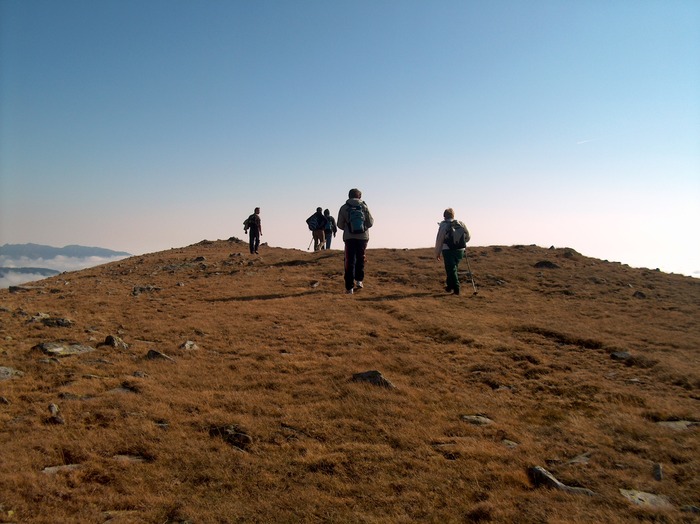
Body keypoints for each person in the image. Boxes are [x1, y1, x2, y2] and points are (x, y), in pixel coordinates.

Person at [337, 188, 374, 294]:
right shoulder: (364, 206)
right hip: (363, 237)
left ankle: (349, 288)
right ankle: (359, 280)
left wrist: (349, 228)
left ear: (349, 196)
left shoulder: (344, 208)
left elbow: (339, 224)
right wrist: (362, 227)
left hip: (349, 238)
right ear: (359, 196)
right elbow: (370, 222)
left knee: (349, 261)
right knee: (360, 258)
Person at [435, 208, 469, 295]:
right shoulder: (460, 223)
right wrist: (461, 242)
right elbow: (468, 236)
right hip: (460, 250)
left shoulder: (444, 225)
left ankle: (456, 288)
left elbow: (440, 240)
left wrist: (437, 253)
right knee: (453, 268)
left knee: (451, 269)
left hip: (448, 250)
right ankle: (449, 286)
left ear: (444, 216)